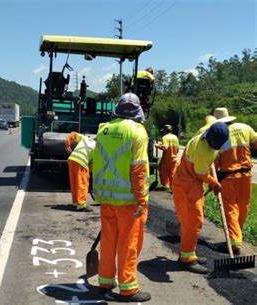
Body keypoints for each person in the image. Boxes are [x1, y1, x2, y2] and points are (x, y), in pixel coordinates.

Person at [91, 93, 151, 302]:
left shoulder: (103, 129)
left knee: (108, 241)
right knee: (128, 244)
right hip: (128, 201)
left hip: (106, 198)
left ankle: (105, 281)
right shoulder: (137, 131)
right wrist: (141, 200)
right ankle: (128, 288)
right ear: (137, 111)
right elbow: (139, 170)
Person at [172, 121, 229, 274]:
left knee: (195, 218)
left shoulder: (207, 131)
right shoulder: (201, 150)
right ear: (209, 138)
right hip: (186, 185)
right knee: (193, 222)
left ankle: (190, 252)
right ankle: (186, 259)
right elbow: (201, 174)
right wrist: (214, 182)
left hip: (193, 185)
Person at [213, 107, 257, 255]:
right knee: (243, 207)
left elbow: (215, 162)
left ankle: (234, 243)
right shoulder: (245, 128)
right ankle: (236, 236)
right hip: (246, 175)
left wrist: (214, 179)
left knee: (230, 209)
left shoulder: (219, 135)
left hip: (228, 177)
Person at [65, 132, 95, 211]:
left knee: (74, 183)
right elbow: (92, 165)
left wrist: (68, 145)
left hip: (72, 159)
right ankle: (81, 205)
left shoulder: (86, 138)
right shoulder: (99, 150)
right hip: (81, 162)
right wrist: (88, 173)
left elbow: (73, 134)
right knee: (82, 183)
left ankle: (76, 202)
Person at [155, 124, 180, 190]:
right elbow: (177, 149)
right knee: (172, 173)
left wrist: (158, 146)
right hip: (174, 158)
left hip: (166, 159)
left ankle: (165, 185)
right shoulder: (175, 137)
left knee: (162, 170)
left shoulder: (165, 137)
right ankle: (173, 187)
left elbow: (165, 147)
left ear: (166, 131)